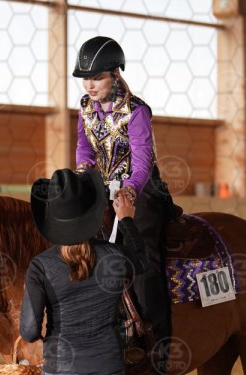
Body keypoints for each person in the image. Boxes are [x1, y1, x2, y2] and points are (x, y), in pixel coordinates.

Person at [72, 36, 174, 349]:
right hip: (102, 188)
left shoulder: (137, 111)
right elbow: (84, 147)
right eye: (86, 79)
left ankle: (157, 338)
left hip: (141, 191)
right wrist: (83, 171)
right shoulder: (85, 108)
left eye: (97, 78)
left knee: (142, 253)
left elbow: (142, 160)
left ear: (115, 74)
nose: (90, 85)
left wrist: (129, 192)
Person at [20, 168, 148, 375]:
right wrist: (126, 219)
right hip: (107, 367)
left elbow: (29, 331)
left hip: (61, 370)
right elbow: (141, 261)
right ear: (92, 212)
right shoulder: (114, 255)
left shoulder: (40, 266)